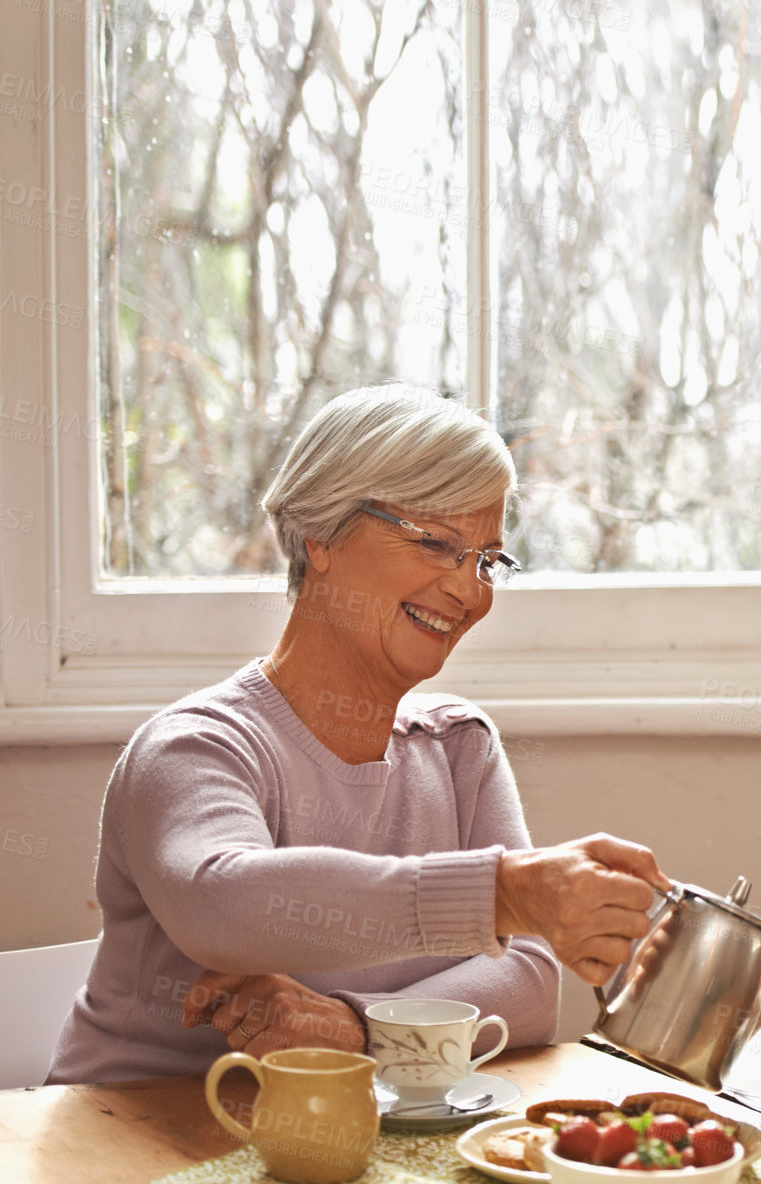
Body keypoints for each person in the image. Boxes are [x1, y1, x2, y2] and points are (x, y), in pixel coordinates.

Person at [48, 384, 667, 1084]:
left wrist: (358, 1028)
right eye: (437, 544)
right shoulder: (195, 747)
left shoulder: (459, 747)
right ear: (322, 534)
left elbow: (530, 984)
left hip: (321, 1149)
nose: (471, 592)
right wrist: (502, 895)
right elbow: (222, 906)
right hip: (124, 1143)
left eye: (487, 560)